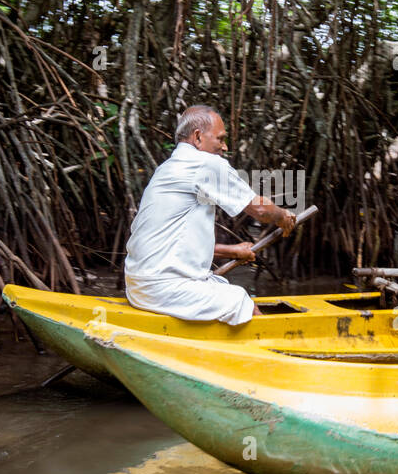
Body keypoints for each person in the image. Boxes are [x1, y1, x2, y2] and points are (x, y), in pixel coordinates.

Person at [124, 105, 297, 324]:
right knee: (241, 300)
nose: (225, 147)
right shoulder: (205, 164)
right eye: (220, 139)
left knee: (225, 289)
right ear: (197, 137)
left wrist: (231, 250)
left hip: (139, 286)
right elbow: (260, 209)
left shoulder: (167, 168)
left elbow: (169, 242)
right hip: (163, 287)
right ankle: (273, 349)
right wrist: (283, 217)